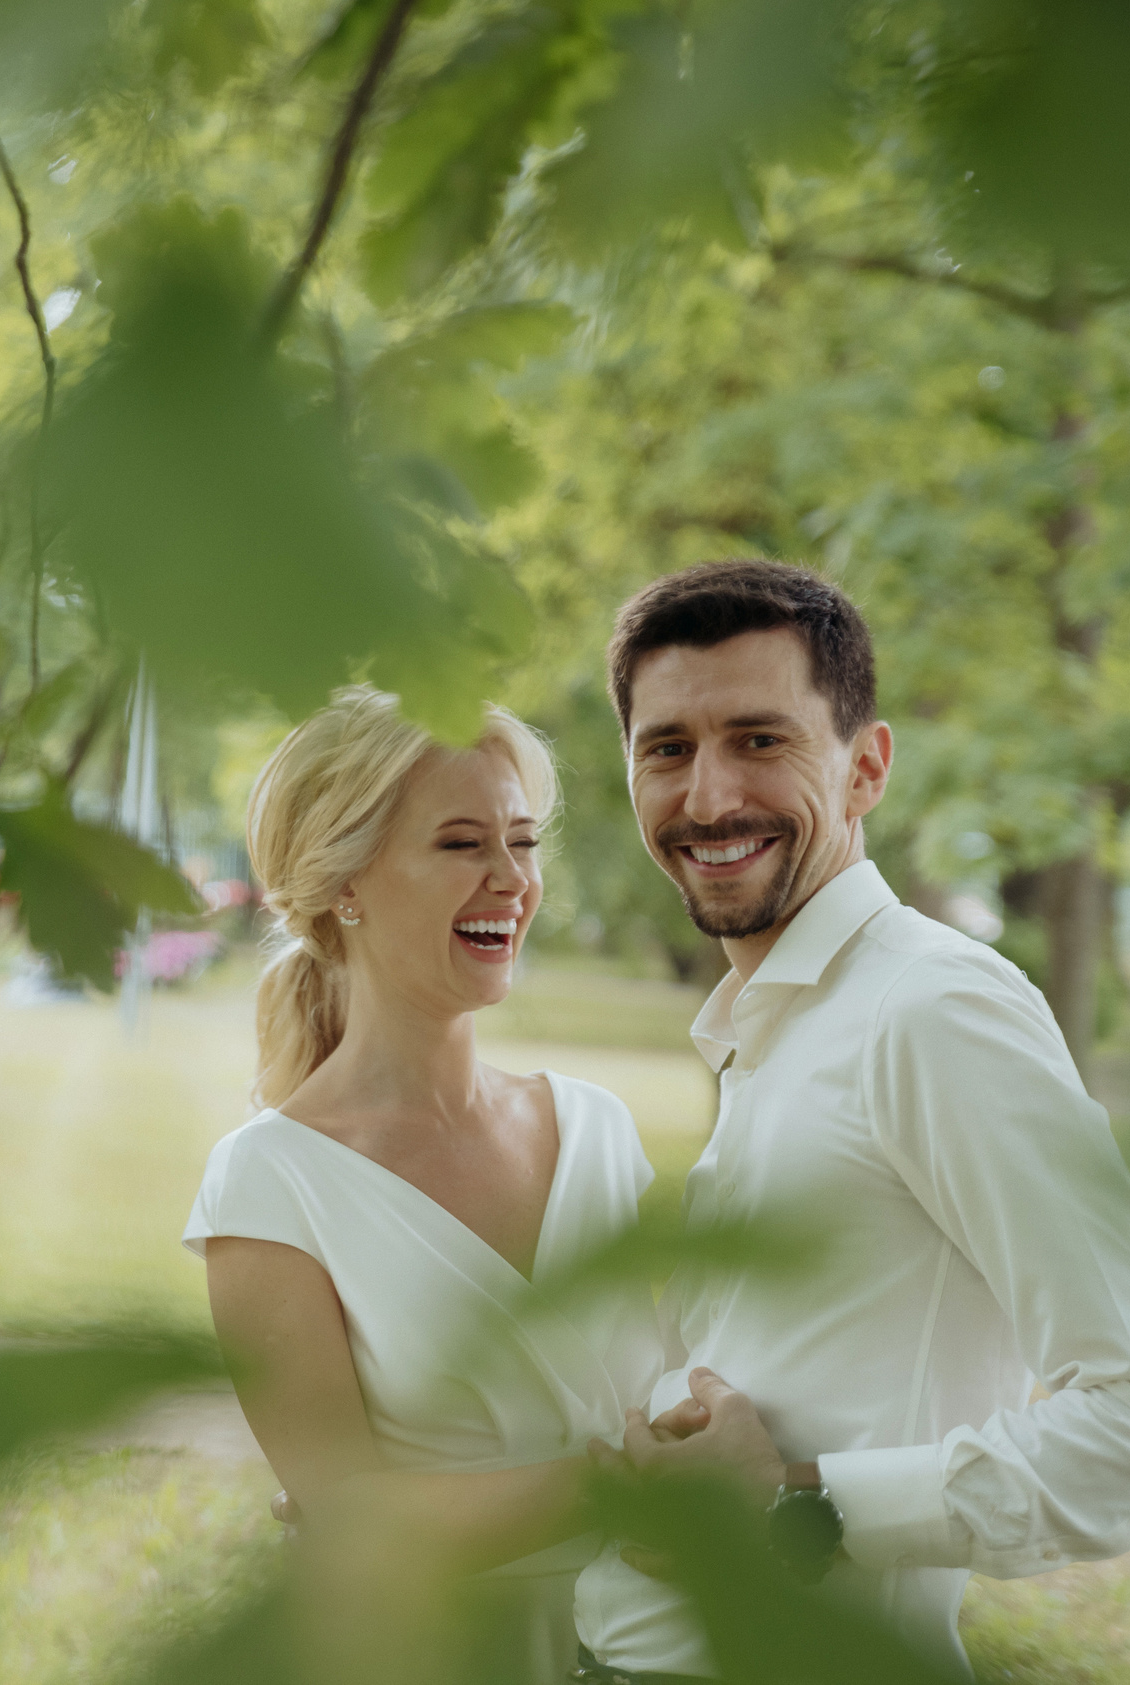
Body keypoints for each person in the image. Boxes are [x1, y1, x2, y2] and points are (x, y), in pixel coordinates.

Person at [571, 560, 1130, 1681]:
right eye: (667, 748)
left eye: (761, 739)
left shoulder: (933, 1010)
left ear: (864, 766)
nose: (707, 797)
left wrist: (805, 1502)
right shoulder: (772, 1022)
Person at [185, 689, 666, 1684]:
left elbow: (697, 1385)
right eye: (459, 843)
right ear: (344, 881)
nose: (511, 879)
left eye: (521, 840)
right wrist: (620, 1484)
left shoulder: (598, 1129)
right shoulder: (268, 1182)